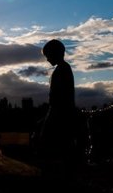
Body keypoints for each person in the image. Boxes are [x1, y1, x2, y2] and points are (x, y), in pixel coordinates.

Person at [36, 39, 77, 167]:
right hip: (61, 110)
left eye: (48, 55)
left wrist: (51, 113)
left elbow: (58, 96)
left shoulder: (62, 70)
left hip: (60, 111)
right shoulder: (63, 68)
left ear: (55, 53)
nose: (47, 59)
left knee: (52, 140)